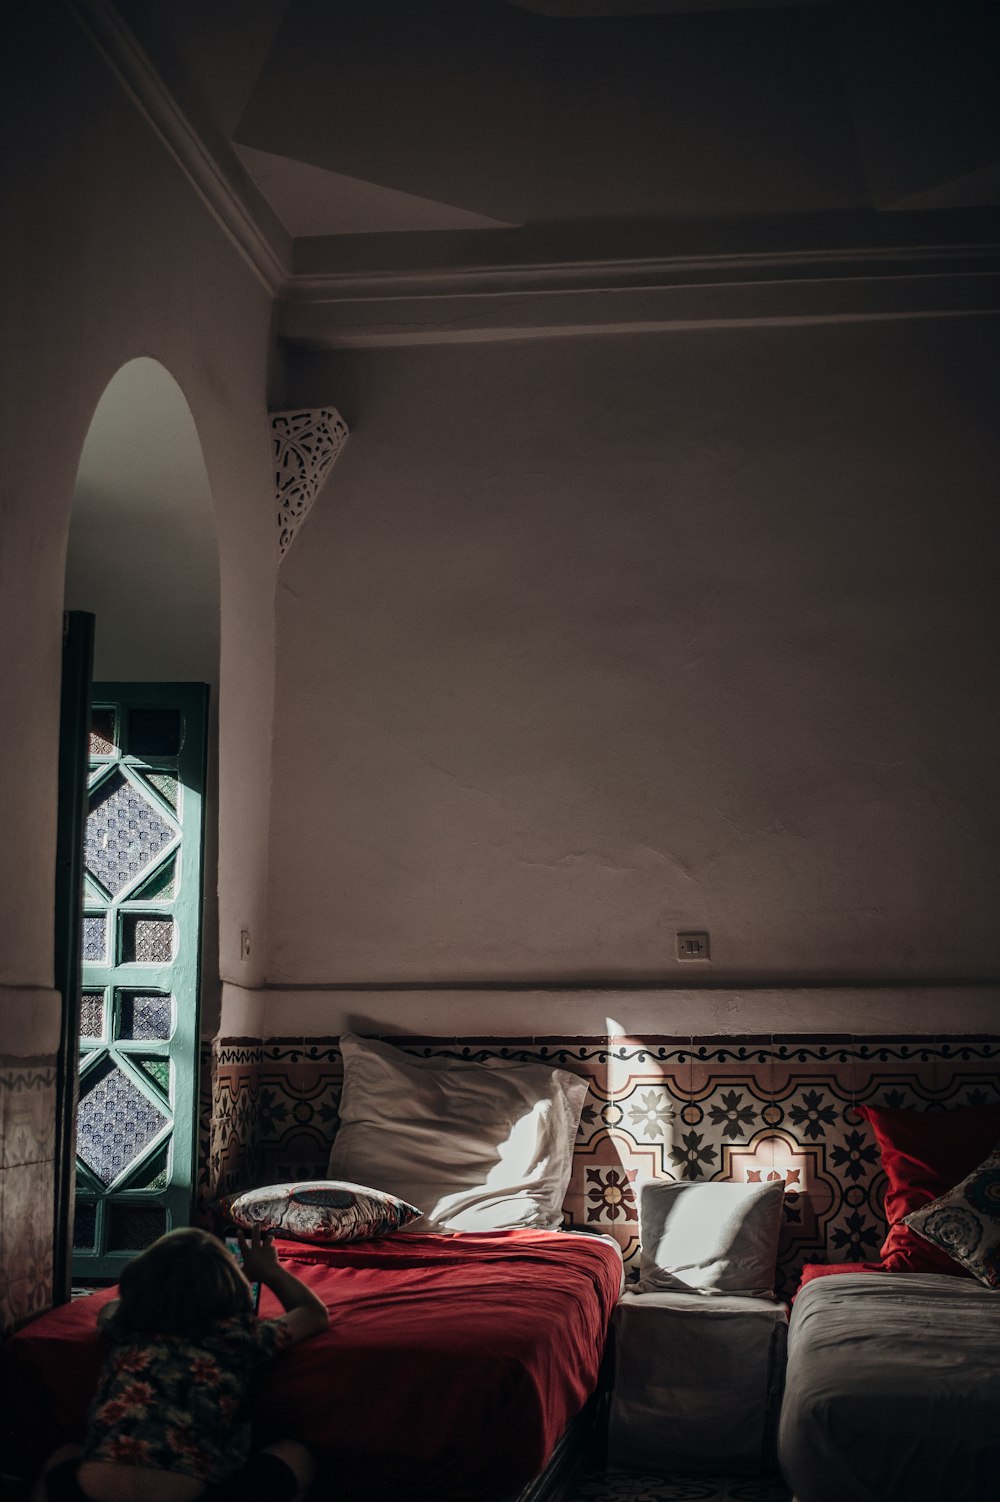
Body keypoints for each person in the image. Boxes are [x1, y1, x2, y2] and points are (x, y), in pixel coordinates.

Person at [32, 1225, 329, 1502]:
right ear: (232, 1292)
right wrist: (270, 1270)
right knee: (297, 1455)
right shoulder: (239, 1337)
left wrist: (149, 1293)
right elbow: (312, 1313)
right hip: (197, 1492)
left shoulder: (123, 1329)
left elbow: (109, 1308)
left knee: (65, 1453)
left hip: (91, 1490)